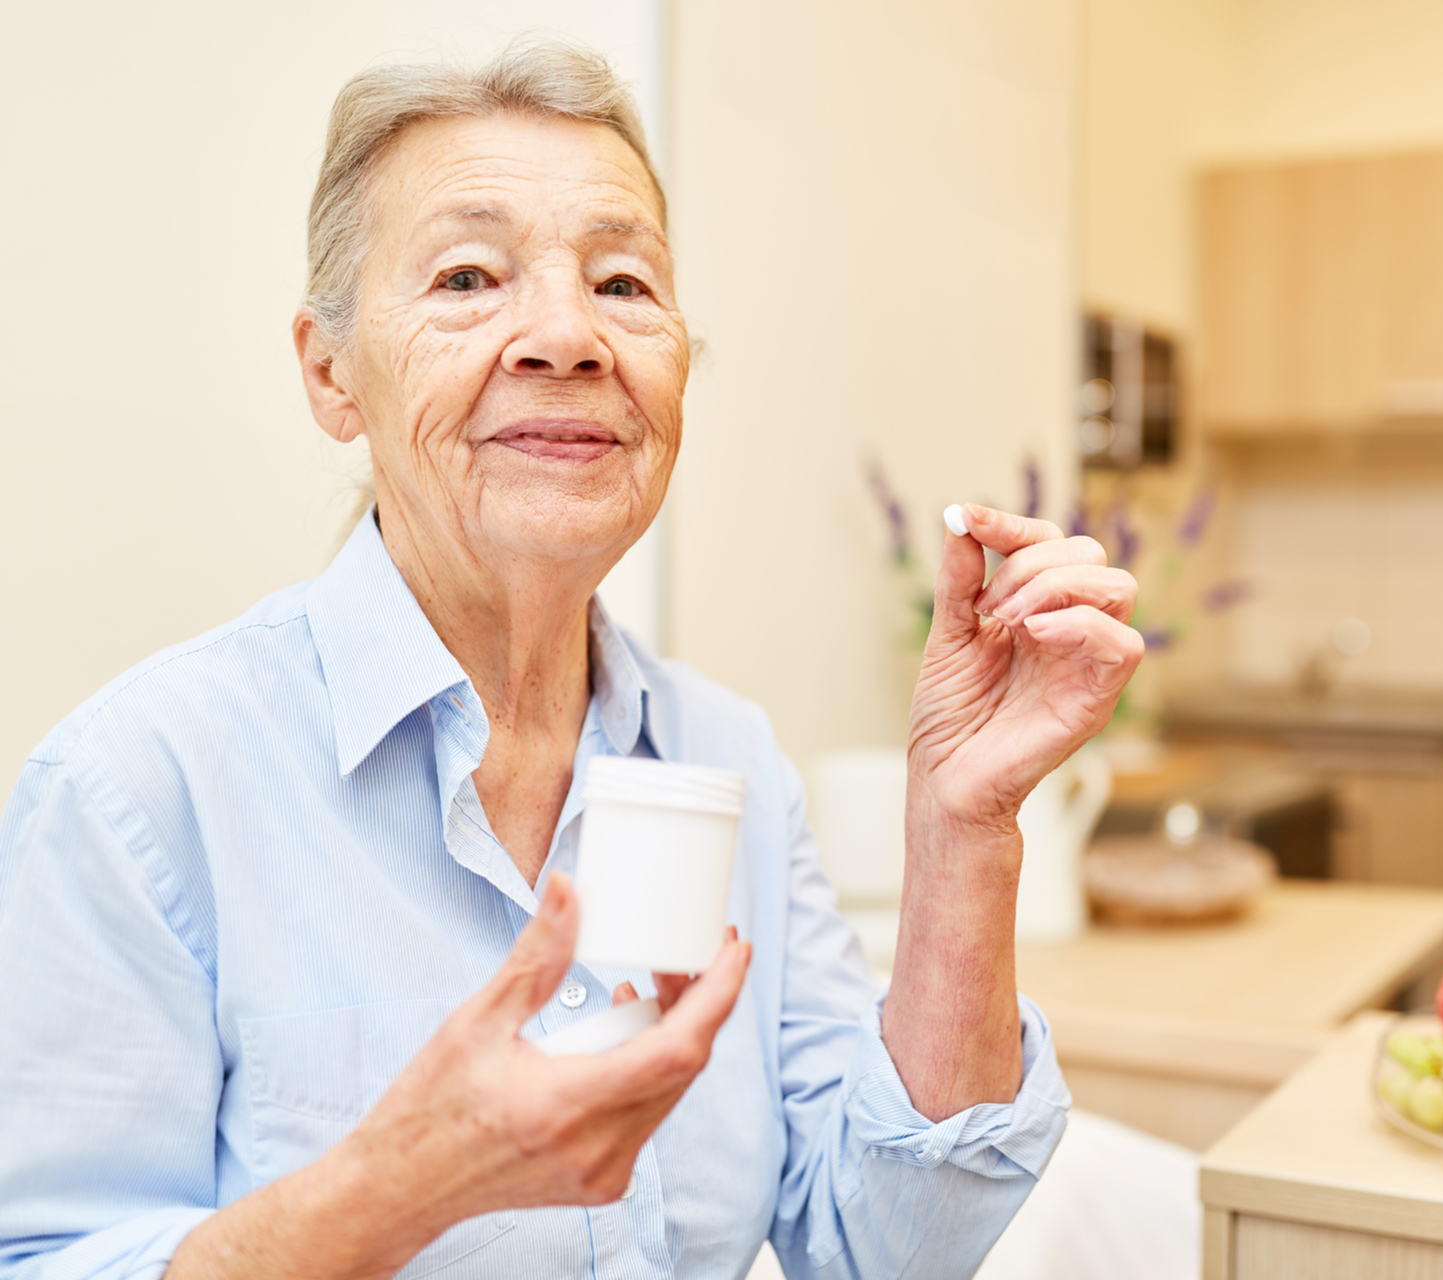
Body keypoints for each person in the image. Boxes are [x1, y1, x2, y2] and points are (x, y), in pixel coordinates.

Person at [0, 43, 1141, 1280]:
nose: (566, 335)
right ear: (331, 373)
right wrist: (402, 1183)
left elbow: (882, 1245)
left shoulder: (730, 757)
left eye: (622, 283)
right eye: (467, 275)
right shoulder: (135, 790)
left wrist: (964, 830)